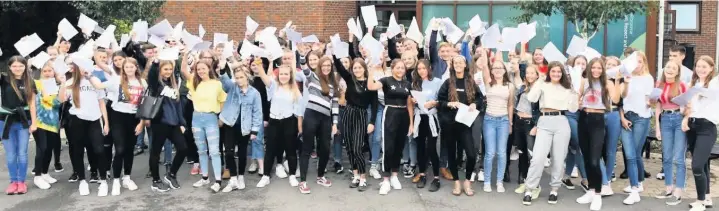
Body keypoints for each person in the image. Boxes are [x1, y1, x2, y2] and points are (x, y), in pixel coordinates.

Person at [522, 61, 578, 205]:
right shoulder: (543, 84)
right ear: (549, 72)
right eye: (553, 71)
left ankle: (554, 189)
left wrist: (574, 93)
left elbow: (572, 108)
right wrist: (539, 82)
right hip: (544, 121)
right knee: (538, 157)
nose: (556, 74)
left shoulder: (567, 88)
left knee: (558, 158)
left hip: (561, 121)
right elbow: (531, 98)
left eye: (559, 71)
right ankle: (529, 189)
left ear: (562, 73)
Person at [367, 59, 414, 195]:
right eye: (397, 67)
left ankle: (394, 176)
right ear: (392, 68)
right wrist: (370, 72)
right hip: (390, 113)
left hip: (404, 114)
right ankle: (386, 179)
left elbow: (409, 103)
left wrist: (411, 123)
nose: (400, 70)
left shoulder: (407, 84)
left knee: (399, 147)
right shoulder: (386, 80)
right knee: (389, 147)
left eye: (402, 68)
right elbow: (371, 87)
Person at [684, 56, 719, 211]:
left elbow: (711, 94)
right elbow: (689, 107)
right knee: (703, 164)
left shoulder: (715, 83)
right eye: (698, 66)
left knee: (696, 165)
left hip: (707, 127)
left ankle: (700, 201)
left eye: (705, 67)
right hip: (693, 126)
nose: (701, 69)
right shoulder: (694, 84)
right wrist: (685, 118)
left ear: (711, 68)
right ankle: (707, 197)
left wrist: (697, 91)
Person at [653, 60, 688, 206]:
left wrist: (684, 113)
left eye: (674, 68)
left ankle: (678, 192)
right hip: (665, 119)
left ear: (678, 71)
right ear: (664, 69)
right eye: (668, 67)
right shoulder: (658, 85)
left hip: (678, 119)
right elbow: (657, 106)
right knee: (666, 157)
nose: (670, 69)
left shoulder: (681, 85)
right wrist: (657, 126)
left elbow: (687, 105)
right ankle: (668, 188)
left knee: (678, 158)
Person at [2, 56, 38, 195]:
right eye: (14, 66)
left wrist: (34, 123)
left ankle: (21, 182)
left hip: (23, 121)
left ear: (25, 66)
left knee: (22, 153)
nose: (17, 68)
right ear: (9, 67)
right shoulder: (4, 80)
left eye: (20, 66)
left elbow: (32, 104)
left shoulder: (30, 82)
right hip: (4, 121)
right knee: (11, 155)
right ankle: (13, 182)